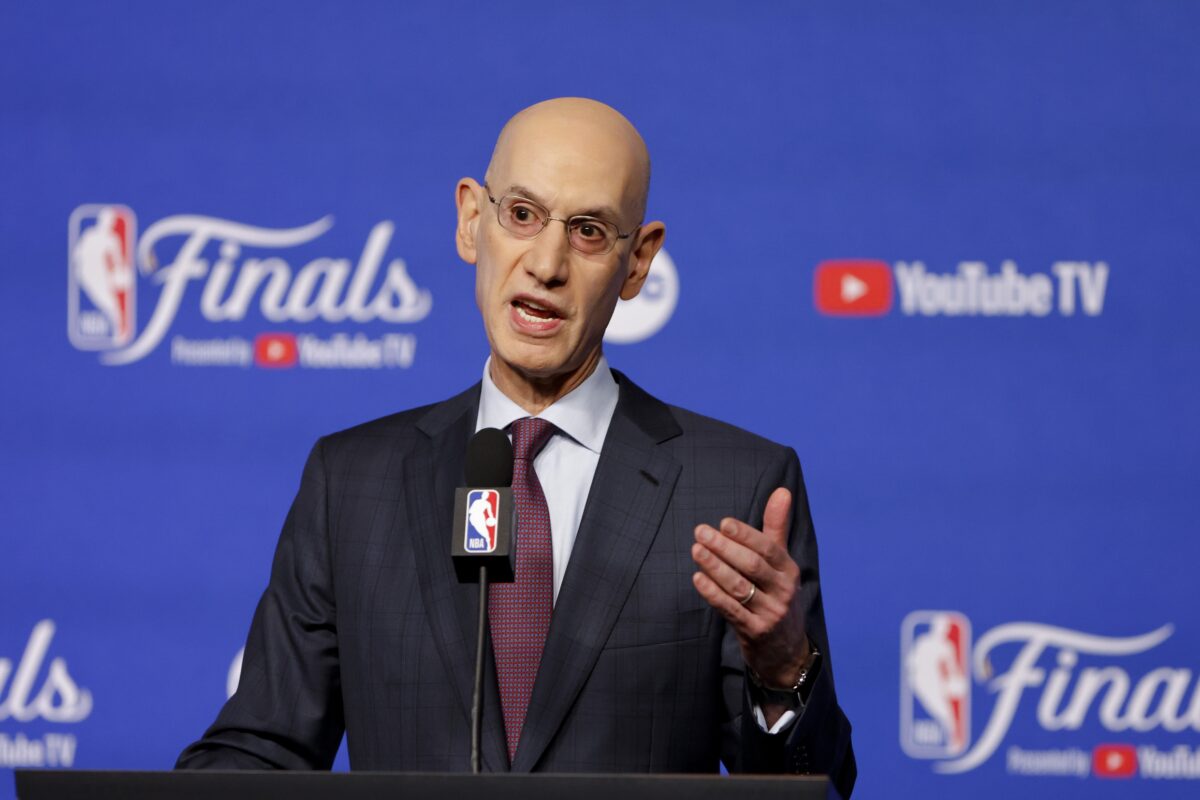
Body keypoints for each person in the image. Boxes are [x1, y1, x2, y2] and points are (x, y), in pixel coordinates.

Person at [177, 97, 855, 797]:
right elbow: (262, 751)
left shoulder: (736, 488)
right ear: (473, 220)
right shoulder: (350, 483)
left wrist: (784, 674)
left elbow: (811, 788)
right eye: (522, 215)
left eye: (589, 231)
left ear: (637, 261)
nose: (547, 263)